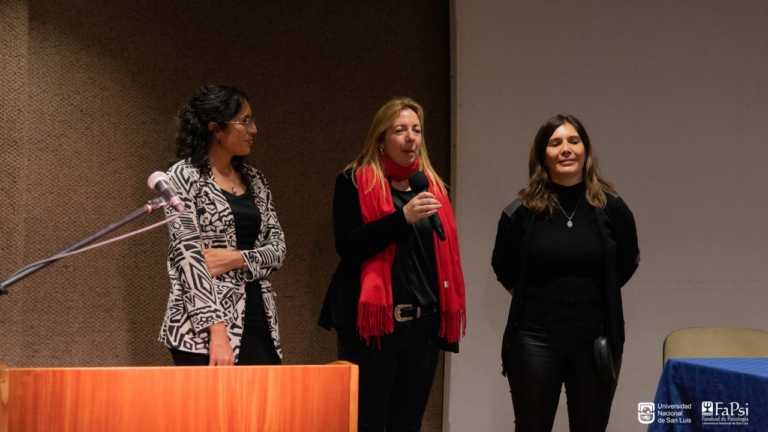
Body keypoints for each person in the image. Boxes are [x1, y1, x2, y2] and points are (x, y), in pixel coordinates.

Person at [318, 97, 466, 432]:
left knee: (408, 424)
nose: (411, 138)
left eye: (417, 130)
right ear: (381, 139)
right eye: (400, 130)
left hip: (423, 329)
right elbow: (348, 246)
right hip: (373, 327)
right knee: (367, 423)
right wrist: (402, 218)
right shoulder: (355, 182)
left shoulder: (433, 187)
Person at [491, 114, 640, 431]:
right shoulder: (520, 212)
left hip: (595, 341)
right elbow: (502, 266)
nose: (566, 149)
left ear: (586, 150)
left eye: (574, 141)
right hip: (534, 341)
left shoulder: (612, 208)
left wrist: (597, 292)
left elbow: (628, 261)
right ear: (542, 155)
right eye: (555, 143)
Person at [159, 85, 286, 366]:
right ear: (216, 129)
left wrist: (236, 259)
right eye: (245, 121)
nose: (254, 129)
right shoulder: (183, 176)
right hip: (200, 329)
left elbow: (278, 250)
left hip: (258, 316)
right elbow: (188, 258)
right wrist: (216, 332)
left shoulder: (255, 179)